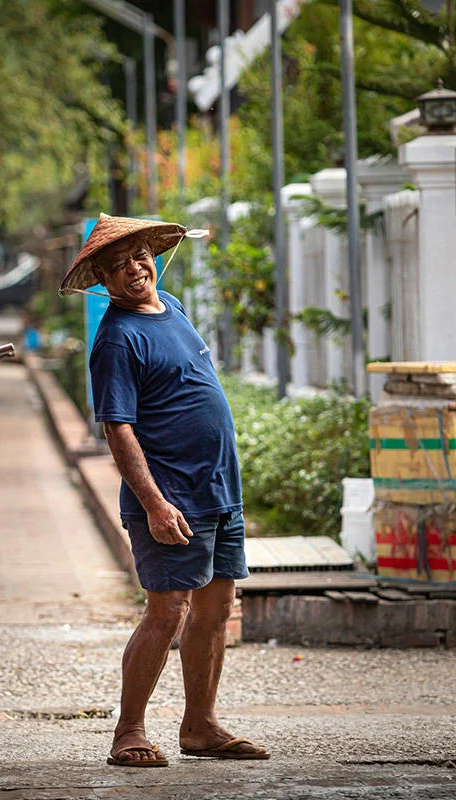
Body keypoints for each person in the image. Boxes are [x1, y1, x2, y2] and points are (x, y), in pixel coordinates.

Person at [59, 214, 270, 768]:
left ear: (153, 256)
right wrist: (154, 504)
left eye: (138, 257)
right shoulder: (117, 339)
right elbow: (118, 428)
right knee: (167, 610)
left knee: (216, 608)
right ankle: (128, 731)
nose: (133, 269)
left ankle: (200, 726)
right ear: (103, 280)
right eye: (117, 265)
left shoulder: (171, 306)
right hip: (172, 497)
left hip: (218, 488)